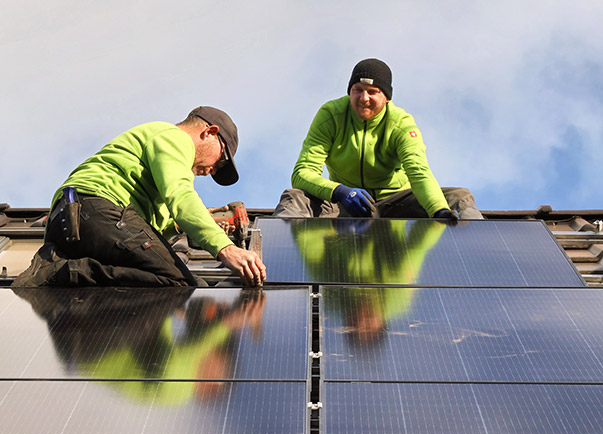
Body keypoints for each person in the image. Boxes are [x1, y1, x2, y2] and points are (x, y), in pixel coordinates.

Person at [14, 106, 266, 287]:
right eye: (220, 161)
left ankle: (65, 277)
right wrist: (225, 248)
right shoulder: (173, 137)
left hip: (74, 220)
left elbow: (148, 232)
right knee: (178, 281)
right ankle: (60, 273)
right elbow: (181, 195)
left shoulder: (156, 174)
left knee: (152, 290)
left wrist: (179, 226)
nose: (212, 171)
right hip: (95, 206)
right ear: (209, 132)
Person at [273, 58, 482, 220]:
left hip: (395, 203)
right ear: (349, 91)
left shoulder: (401, 123)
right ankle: (273, 265)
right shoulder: (331, 115)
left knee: (459, 197)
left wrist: (438, 211)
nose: (364, 98)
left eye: (372, 92)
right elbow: (302, 172)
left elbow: (419, 172)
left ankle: (484, 258)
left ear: (387, 97)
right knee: (295, 196)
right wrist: (340, 192)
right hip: (344, 203)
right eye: (357, 90)